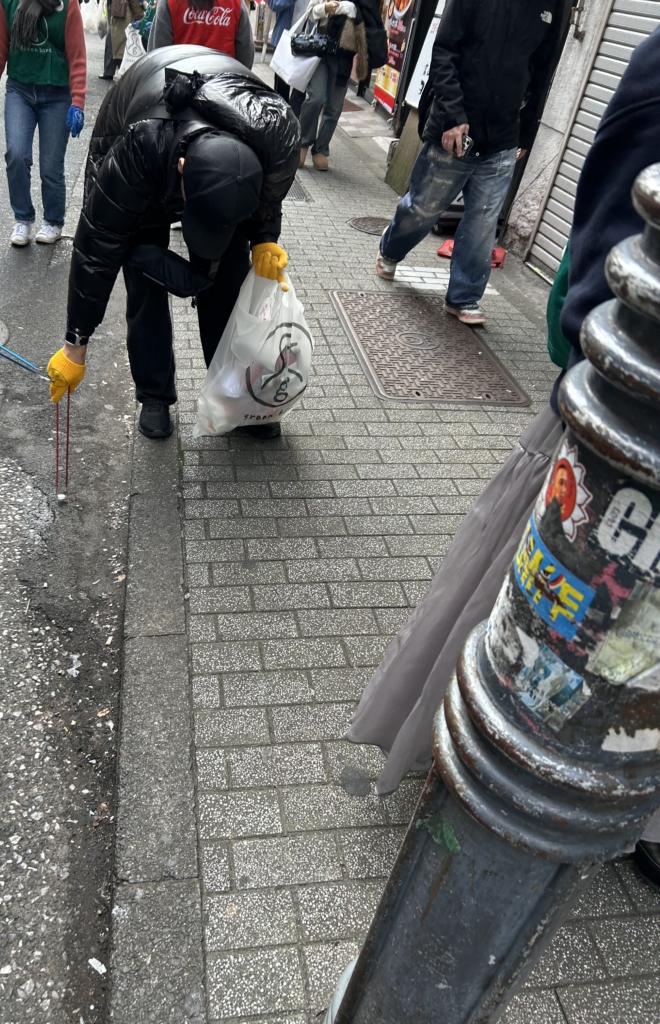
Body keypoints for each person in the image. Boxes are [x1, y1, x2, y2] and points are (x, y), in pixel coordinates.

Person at [347, 25, 660, 888]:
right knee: (530, 633)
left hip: (502, 137)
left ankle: (631, 805)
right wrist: (452, 114)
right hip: (616, 451)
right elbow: (596, 278)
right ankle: (471, 755)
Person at [45, 45, 300, 441]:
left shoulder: (275, 137)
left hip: (223, 123)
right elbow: (97, 246)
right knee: (141, 278)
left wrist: (264, 237)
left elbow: (269, 194)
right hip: (140, 128)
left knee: (227, 278)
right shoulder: (139, 147)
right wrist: (75, 343)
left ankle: (234, 394)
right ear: (182, 169)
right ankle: (155, 396)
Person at [375, 0, 568, 325]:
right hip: (455, 128)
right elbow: (444, 51)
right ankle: (390, 249)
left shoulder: (552, 5)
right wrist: (452, 116)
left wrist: (525, 133)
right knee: (423, 208)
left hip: (503, 135)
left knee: (482, 222)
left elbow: (542, 69)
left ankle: (463, 296)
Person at [0, 0, 88, 247]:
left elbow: (77, 54)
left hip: (58, 93)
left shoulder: (67, 4)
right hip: (20, 89)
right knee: (16, 154)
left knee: (51, 166)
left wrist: (78, 101)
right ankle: (23, 218)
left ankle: (53, 220)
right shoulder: (5, 2)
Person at [298, 0, 383, 171]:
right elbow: (310, 12)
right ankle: (302, 143)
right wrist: (326, 8)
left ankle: (321, 149)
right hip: (321, 49)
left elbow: (370, 17)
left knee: (334, 107)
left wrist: (355, 12)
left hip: (344, 56)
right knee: (316, 98)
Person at [148, 0, 254, 66]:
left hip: (180, 86)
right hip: (225, 86)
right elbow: (246, 54)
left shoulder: (169, 2)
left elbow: (156, 53)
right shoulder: (236, 3)